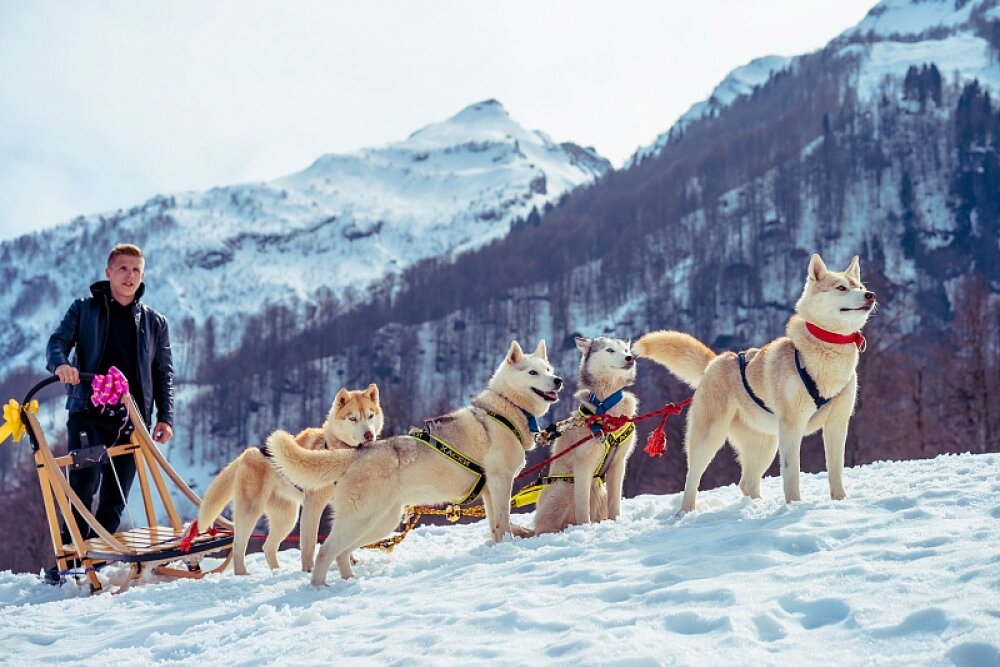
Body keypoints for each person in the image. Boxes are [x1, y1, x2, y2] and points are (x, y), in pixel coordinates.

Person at [43, 243, 174, 584]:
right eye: (123, 269)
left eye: (136, 270)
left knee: (116, 499)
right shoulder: (84, 310)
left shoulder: (155, 322)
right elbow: (57, 343)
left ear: (142, 275)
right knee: (83, 490)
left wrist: (165, 418)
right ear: (109, 272)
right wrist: (61, 365)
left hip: (133, 422)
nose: (129, 276)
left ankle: (95, 566)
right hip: (89, 414)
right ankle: (70, 564)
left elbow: (163, 373)